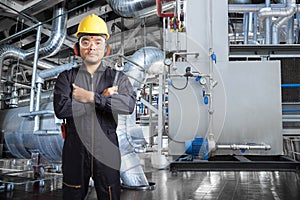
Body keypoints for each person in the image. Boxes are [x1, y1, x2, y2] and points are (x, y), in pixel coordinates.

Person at [53, 14, 136, 200]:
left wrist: (89, 97)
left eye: (98, 42)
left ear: (106, 49)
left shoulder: (117, 78)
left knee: (109, 195)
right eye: (86, 41)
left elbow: (128, 105)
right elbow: (62, 110)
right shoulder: (66, 78)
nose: (92, 47)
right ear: (77, 48)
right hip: (75, 151)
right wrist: (103, 100)